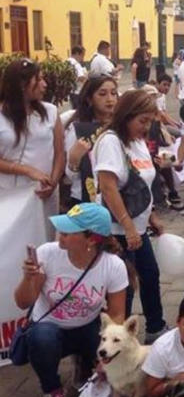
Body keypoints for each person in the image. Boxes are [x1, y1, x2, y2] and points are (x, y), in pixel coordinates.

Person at [13, 203, 127, 397]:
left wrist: (110, 355)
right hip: (50, 328)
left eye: (67, 232)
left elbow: (117, 315)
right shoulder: (47, 253)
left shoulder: (113, 266)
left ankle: (86, 365)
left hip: (87, 328)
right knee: (43, 337)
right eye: (61, 230)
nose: (60, 235)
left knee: (106, 346)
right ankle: (51, 389)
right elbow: (22, 302)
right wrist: (29, 277)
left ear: (91, 240)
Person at [94, 89, 166, 342]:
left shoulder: (136, 142)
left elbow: (142, 185)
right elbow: (108, 187)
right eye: (142, 121)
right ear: (127, 116)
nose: (146, 128)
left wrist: (151, 218)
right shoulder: (111, 141)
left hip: (137, 227)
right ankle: (115, 343)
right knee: (124, 289)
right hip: (118, 231)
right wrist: (128, 226)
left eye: (149, 121)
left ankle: (156, 329)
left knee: (150, 275)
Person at [0, 59, 64, 239]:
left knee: (43, 241)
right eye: (39, 79)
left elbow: (59, 153)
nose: (45, 84)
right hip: (9, 194)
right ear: (22, 85)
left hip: (44, 194)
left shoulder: (50, 112)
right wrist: (27, 170)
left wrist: (53, 181)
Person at [65, 75, 118, 205]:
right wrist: (74, 159)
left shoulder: (121, 126)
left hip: (118, 198)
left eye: (113, 93)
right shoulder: (77, 129)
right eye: (102, 94)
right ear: (89, 99)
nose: (110, 99)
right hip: (85, 199)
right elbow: (70, 177)